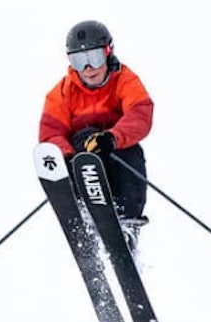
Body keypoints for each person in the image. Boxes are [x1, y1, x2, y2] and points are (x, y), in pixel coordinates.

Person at [40, 20, 154, 252]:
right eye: (79, 61)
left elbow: (140, 114)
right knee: (85, 139)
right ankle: (84, 214)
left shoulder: (125, 80)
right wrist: (68, 156)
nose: (88, 68)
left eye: (95, 57)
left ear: (108, 53)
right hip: (81, 154)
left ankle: (127, 224)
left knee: (131, 153)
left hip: (116, 153)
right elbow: (50, 132)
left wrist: (113, 137)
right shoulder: (61, 93)